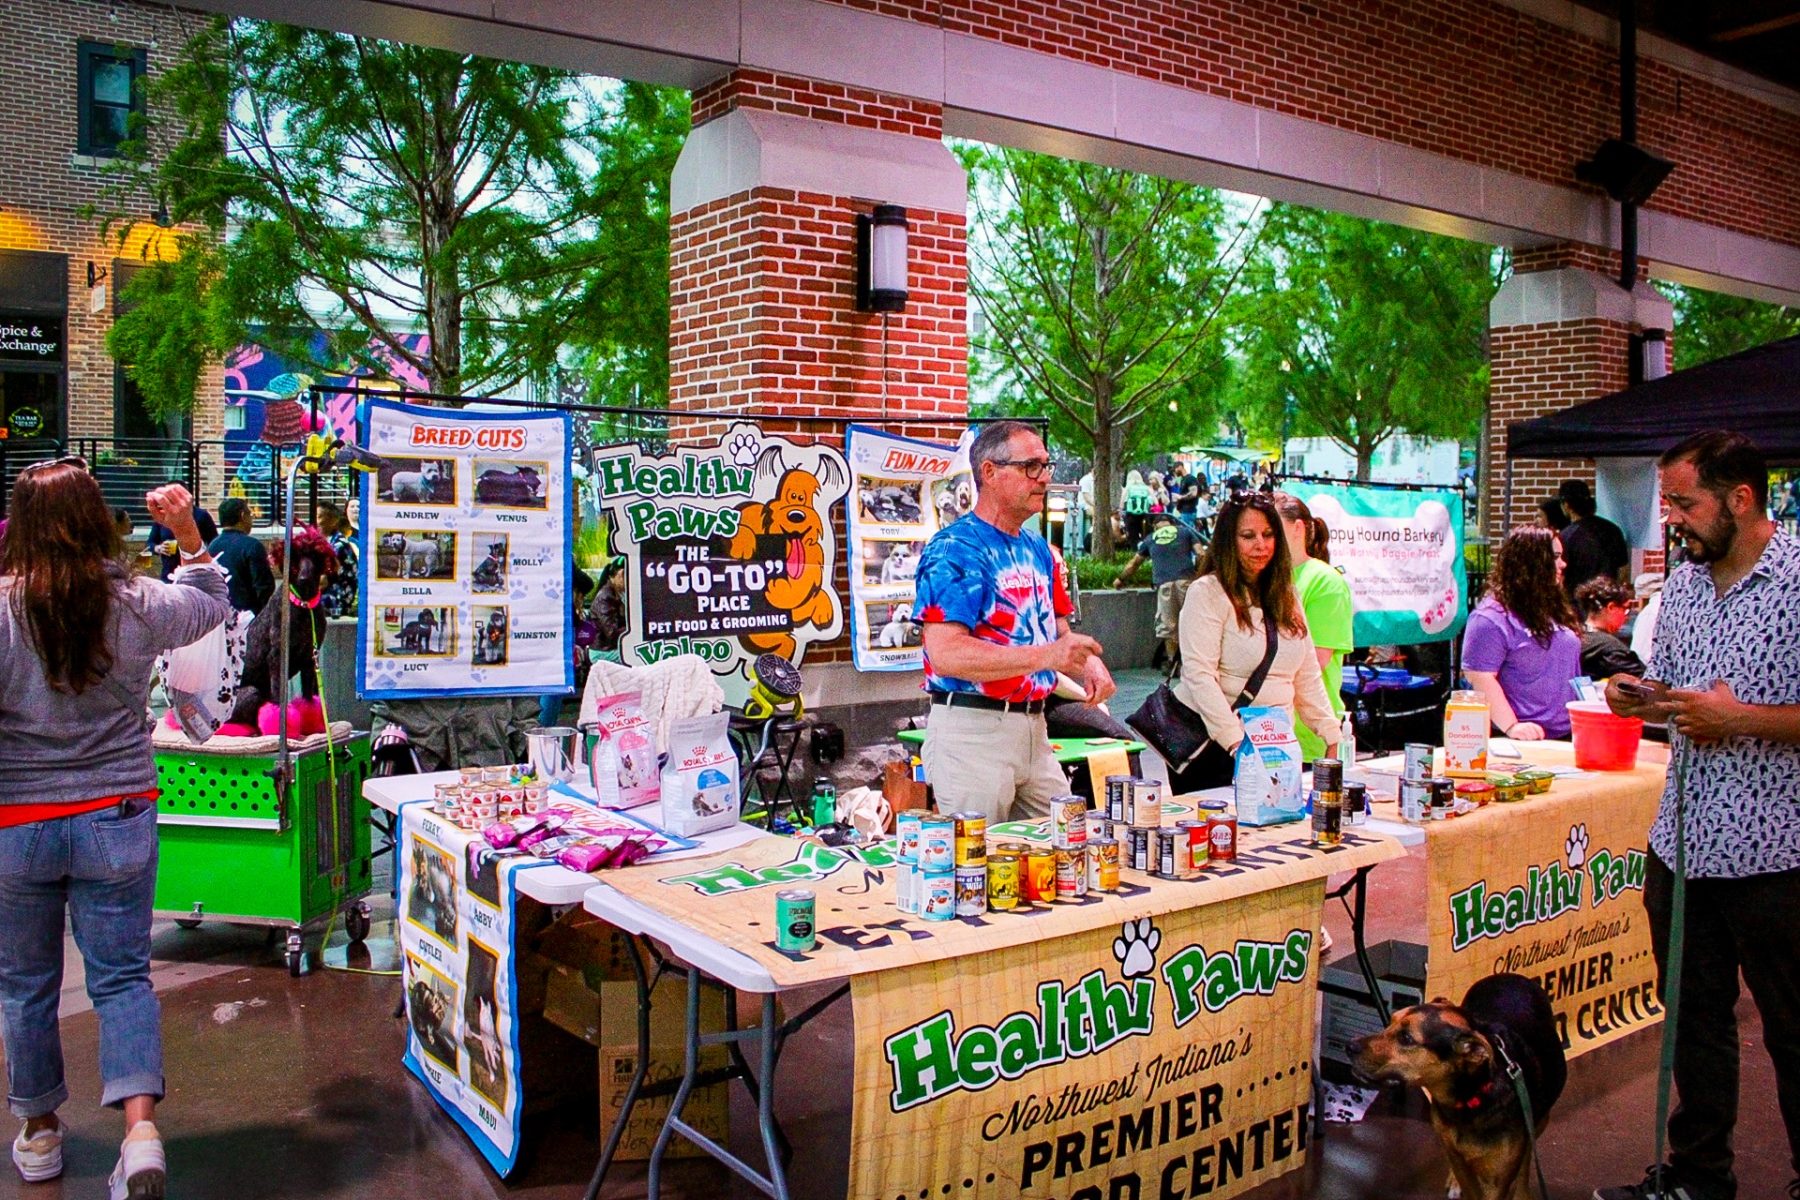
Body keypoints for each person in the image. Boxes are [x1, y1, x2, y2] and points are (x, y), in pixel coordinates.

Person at [0, 469, 231, 1196]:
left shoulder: (2, 608)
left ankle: (40, 1131)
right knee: (124, 978)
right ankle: (139, 1133)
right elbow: (211, 603)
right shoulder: (136, 600)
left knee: (25, 985)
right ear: (97, 519)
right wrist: (187, 532)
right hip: (119, 812)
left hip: (18, 821)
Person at [1600, 430, 1800, 1200]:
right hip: (1683, 845)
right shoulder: (1682, 586)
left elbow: (1726, 712)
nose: (1671, 520)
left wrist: (1739, 719)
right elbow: (1676, 693)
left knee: (1793, 1030)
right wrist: (1638, 698)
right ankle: (1697, 1178)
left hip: (1779, 856)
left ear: (1740, 499)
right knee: (1691, 1021)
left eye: (1684, 503)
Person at [914, 420, 1116, 823]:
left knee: (1069, 840)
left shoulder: (1038, 548)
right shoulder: (955, 549)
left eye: (1046, 465)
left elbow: (1057, 629)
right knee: (978, 856)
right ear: (989, 472)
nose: (1044, 478)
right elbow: (946, 655)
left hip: (1035, 727)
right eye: (1031, 467)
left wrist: (1088, 663)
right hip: (973, 731)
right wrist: (1049, 656)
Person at [1171, 492, 1338, 793]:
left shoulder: (1287, 594)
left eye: (1268, 534)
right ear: (1228, 541)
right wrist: (1237, 744)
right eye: (1248, 536)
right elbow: (1199, 676)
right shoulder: (1206, 592)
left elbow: (1307, 673)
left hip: (1277, 751)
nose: (1261, 545)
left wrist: (1332, 733)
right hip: (1215, 750)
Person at [1461, 526, 1581, 740]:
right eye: (1555, 557)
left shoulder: (1552, 607)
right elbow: (1479, 676)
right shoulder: (1490, 617)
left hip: (1568, 731)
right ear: (1532, 562)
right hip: (1521, 737)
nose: (1563, 564)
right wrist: (1512, 726)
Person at [1273, 492, 1353, 762]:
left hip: (1308, 737)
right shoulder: (1264, 579)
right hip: (1261, 731)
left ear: (1297, 528)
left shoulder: (1325, 581)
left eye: (1272, 529)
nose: (1263, 539)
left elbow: (1316, 661)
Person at [1111, 512, 1201, 666]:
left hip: (1165, 584)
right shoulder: (1185, 532)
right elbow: (1201, 553)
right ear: (1171, 524)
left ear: (1154, 526)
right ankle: (1195, 662)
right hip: (1187, 581)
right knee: (1193, 623)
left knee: (1169, 626)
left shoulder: (1150, 538)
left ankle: (1173, 663)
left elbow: (1134, 563)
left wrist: (1120, 579)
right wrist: (1199, 574)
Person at [1558, 478, 1629, 596]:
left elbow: (1561, 575)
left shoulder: (1565, 536)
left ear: (1566, 505)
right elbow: (1623, 569)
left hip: (1577, 601)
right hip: (1606, 599)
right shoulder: (1612, 529)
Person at [207, 497, 275, 615]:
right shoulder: (252, 545)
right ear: (243, 516)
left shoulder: (212, 546)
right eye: (250, 514)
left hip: (220, 615)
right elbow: (264, 586)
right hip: (247, 616)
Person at [1573, 577, 1645, 680]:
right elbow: (1644, 680)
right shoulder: (1611, 648)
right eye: (1625, 609)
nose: (1626, 616)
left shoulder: (1574, 635)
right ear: (1611, 607)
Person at [144, 481, 217, 582]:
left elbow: (214, 542)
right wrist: (158, 548)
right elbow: (150, 543)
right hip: (169, 574)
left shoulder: (201, 516)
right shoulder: (163, 515)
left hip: (195, 575)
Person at [316, 500, 359, 619]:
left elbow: (322, 582)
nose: (316, 521)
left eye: (319, 517)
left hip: (338, 595)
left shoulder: (339, 545)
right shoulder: (319, 541)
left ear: (332, 521)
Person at [1120, 469, 1152, 546]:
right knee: (1145, 534)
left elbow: (1122, 505)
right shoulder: (1146, 488)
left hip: (1131, 515)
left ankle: (1134, 549)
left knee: (1133, 536)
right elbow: (1154, 502)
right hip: (1144, 514)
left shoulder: (1128, 488)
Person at [1170, 462, 1200, 527]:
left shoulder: (1190, 479)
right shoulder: (1183, 480)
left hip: (1189, 511)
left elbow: (1194, 493)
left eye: (1175, 469)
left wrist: (1181, 497)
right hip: (1184, 511)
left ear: (1180, 467)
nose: (1174, 472)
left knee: (1188, 530)